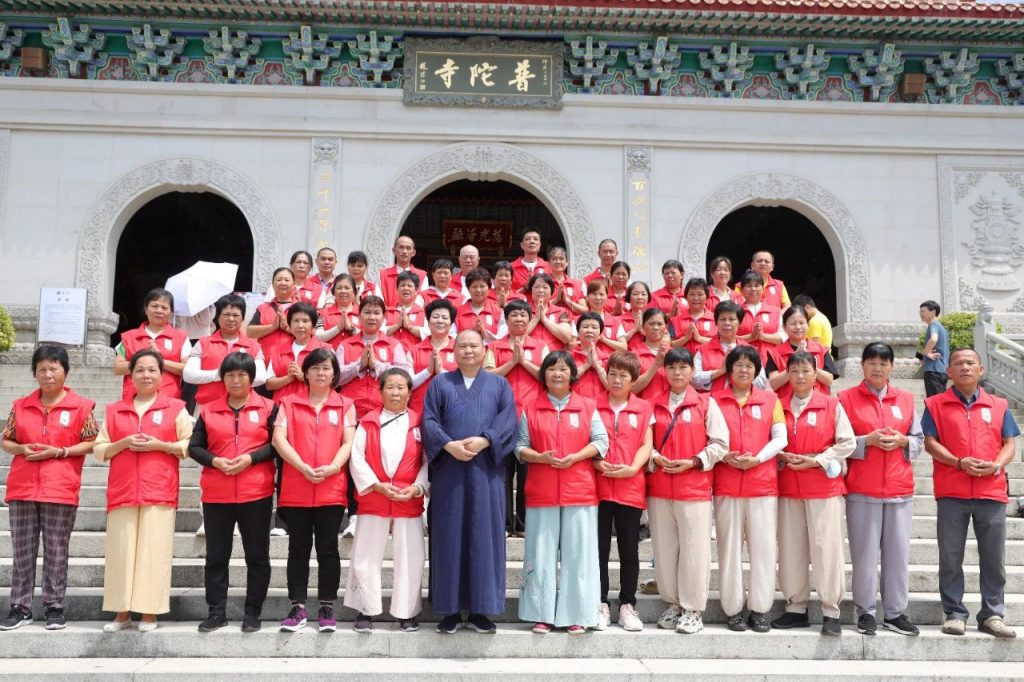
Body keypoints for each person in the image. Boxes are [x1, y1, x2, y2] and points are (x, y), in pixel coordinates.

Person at [422, 329, 519, 634]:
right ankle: (449, 610)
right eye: (461, 345)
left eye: (473, 345)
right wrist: (447, 445)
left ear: (484, 350)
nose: (467, 350)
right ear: (453, 350)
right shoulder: (440, 383)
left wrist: (485, 440)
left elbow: (508, 422)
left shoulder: (499, 384)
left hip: (485, 473)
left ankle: (481, 610)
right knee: (447, 536)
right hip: (449, 471)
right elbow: (428, 421)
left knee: (484, 538)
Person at [93, 350, 193, 633]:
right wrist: (123, 442)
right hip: (122, 489)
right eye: (139, 370)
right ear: (130, 375)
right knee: (120, 552)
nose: (146, 375)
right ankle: (121, 613)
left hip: (159, 489)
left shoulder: (175, 408)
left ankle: (149, 613)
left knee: (154, 552)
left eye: (152, 370)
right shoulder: (115, 410)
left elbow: (189, 445)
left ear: (162, 375)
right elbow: (99, 449)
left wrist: (160, 445)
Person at [0, 346, 97, 631]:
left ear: (65, 371)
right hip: (22, 487)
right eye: (41, 369)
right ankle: (20, 606)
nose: (47, 374)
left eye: (54, 368)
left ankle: (54, 606)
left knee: (56, 549)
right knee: (22, 550)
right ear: (34, 373)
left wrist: (60, 451)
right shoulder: (20, 405)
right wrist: (20, 447)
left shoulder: (81, 406)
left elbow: (92, 441)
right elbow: (6, 439)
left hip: (60, 487)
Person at [923, 347, 1018, 639]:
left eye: (970, 363)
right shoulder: (935, 404)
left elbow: (1010, 444)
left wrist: (995, 466)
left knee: (993, 557)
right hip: (952, 490)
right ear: (948, 371)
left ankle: (992, 614)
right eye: (958, 364)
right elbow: (929, 442)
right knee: (950, 556)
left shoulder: (999, 405)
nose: (964, 367)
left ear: (981, 370)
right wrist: (958, 462)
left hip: (991, 491)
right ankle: (954, 613)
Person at [515, 351, 609, 634]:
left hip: (579, 490)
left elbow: (601, 441)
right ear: (543, 374)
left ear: (572, 375)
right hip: (541, 491)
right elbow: (519, 447)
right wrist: (540, 457)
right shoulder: (530, 407)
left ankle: (577, 613)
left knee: (578, 555)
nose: (557, 373)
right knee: (540, 553)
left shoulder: (587, 406)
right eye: (552, 369)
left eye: (563, 369)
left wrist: (577, 456)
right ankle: (540, 613)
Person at [188, 352, 277, 633]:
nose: (236, 380)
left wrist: (251, 458)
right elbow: (195, 447)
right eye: (230, 375)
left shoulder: (269, 407)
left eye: (242, 375)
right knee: (216, 556)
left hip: (256, 492)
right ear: (222, 378)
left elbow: (278, 445)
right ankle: (217, 612)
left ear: (251, 378)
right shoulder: (209, 409)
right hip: (217, 493)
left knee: (257, 556)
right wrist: (215, 461)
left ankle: (253, 612)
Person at [839, 342, 923, 637]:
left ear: (891, 367)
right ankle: (865, 611)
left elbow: (919, 441)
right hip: (863, 488)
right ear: (862, 366)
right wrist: (866, 441)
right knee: (863, 554)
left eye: (883, 363)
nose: (877, 368)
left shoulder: (907, 399)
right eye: (872, 362)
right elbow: (840, 442)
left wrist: (903, 441)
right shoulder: (846, 399)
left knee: (897, 554)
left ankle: (896, 612)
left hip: (900, 487)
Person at [273, 348, 357, 633]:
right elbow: (278, 440)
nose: (321, 373)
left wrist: (333, 467)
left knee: (328, 549)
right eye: (316, 368)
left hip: (331, 488)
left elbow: (349, 442)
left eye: (327, 368)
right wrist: (302, 466)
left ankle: (326, 607)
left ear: (335, 373)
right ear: (305, 373)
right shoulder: (288, 402)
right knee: (298, 549)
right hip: (296, 486)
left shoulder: (345, 404)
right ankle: (297, 607)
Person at [772, 351, 855, 636]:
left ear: (816, 372)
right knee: (791, 549)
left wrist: (817, 459)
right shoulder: (778, 406)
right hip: (788, 488)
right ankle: (796, 608)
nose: (800, 376)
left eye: (806, 370)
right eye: (794, 371)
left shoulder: (831, 405)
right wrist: (781, 455)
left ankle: (831, 611)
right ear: (788, 374)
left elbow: (848, 443)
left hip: (823, 487)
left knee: (826, 549)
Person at [647, 348, 728, 634]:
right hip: (659, 488)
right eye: (672, 368)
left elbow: (720, 443)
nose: (678, 372)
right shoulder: (653, 404)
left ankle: (693, 609)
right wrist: (655, 456)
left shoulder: (706, 404)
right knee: (665, 549)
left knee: (694, 550)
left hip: (693, 487)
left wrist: (693, 462)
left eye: (683, 367)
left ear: (692, 372)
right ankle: (673, 603)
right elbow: (645, 444)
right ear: (664, 371)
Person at [345, 368, 428, 633]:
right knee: (366, 556)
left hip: (408, 499)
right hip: (375, 498)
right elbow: (356, 456)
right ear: (380, 391)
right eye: (389, 387)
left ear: (409, 391)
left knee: (410, 557)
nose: (395, 392)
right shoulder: (368, 421)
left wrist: (417, 487)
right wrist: (376, 485)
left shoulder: (419, 422)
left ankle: (407, 612)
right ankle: (365, 610)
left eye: (401, 387)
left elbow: (428, 461)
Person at [712, 346, 786, 633]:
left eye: (749, 365)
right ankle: (733, 609)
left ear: (757, 371)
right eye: (738, 365)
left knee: (763, 549)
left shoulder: (771, 400)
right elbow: (709, 438)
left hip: (762, 485)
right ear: (729, 370)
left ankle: (759, 609)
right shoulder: (714, 401)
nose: (744, 369)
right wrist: (724, 455)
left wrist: (758, 458)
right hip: (727, 485)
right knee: (729, 549)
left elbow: (780, 438)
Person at [593, 351, 652, 632]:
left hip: (630, 486)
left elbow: (646, 445)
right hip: (598, 487)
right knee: (599, 549)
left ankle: (628, 605)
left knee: (629, 549)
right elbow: (586, 439)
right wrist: (596, 461)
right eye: (612, 373)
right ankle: (600, 602)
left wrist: (632, 468)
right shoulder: (592, 405)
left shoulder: (643, 408)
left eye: (623, 375)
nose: (616, 380)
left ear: (633, 380)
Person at [485, 300, 546, 536]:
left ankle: (523, 524)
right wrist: (512, 362)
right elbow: (489, 375)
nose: (519, 319)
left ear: (530, 319)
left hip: (531, 418)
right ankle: (504, 524)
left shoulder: (541, 346)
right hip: (501, 417)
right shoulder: (495, 346)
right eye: (514, 316)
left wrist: (524, 362)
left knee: (527, 475)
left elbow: (546, 376)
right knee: (502, 474)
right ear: (506, 320)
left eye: (523, 315)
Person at [183, 294, 267, 408]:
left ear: (242, 318)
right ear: (217, 317)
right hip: (208, 407)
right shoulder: (203, 343)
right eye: (226, 314)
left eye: (236, 315)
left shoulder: (254, 346)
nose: (231, 319)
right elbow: (188, 374)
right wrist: (215, 375)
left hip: (243, 408)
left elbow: (261, 377)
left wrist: (231, 376)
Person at [113, 288, 189, 401]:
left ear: (171, 312)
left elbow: (187, 370)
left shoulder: (181, 338)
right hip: (134, 399)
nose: (159, 310)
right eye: (154, 306)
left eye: (164, 307)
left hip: (168, 400)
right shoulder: (129, 337)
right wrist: (145, 360)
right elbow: (117, 368)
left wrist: (160, 361)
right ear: (146, 309)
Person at [766, 305, 839, 400]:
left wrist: (810, 366)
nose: (798, 327)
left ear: (808, 325)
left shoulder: (821, 350)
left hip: (818, 406)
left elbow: (829, 380)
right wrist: (793, 361)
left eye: (802, 323)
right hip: (787, 408)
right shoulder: (775, 353)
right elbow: (774, 384)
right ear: (784, 327)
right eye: (793, 323)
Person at [693, 301, 762, 393]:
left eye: (732, 319)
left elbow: (761, 383)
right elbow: (693, 380)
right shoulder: (702, 350)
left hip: (742, 402)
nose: (727, 323)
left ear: (739, 323)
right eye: (722, 319)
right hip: (711, 402)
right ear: (716, 323)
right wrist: (720, 371)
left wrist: (740, 375)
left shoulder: (750, 350)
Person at [265, 302, 327, 402]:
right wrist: (289, 378)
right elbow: (269, 384)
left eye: (305, 321)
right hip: (282, 408)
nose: (300, 325)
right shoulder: (278, 350)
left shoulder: (325, 350)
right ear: (289, 324)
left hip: (313, 407)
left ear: (313, 325)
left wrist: (303, 377)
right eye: (296, 321)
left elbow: (332, 381)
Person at [409, 299, 459, 414]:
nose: (440, 321)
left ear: (451, 323)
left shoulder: (460, 349)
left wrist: (441, 371)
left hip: (451, 413)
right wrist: (427, 372)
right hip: (419, 412)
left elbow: (464, 385)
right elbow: (407, 384)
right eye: (436, 317)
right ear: (428, 320)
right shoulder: (414, 350)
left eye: (445, 318)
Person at [248, 267, 297, 360]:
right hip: (266, 358)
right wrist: (272, 327)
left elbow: (310, 334)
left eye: (287, 280)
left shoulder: (301, 308)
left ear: (294, 285)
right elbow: (250, 332)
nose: (283, 282)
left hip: (293, 360)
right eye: (279, 279)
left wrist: (287, 328)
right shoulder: (263, 308)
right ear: (273, 285)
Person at [736, 270, 783, 364]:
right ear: (741, 290)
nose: (753, 289)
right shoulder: (735, 312)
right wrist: (750, 337)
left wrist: (763, 337)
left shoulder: (775, 311)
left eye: (757, 285)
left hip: (771, 362)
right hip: (742, 362)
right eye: (749, 286)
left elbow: (783, 338)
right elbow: (728, 339)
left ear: (763, 289)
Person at [630, 308, 671, 402]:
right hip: (644, 408)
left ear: (666, 327)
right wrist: (656, 365)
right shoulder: (634, 355)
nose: (656, 327)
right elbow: (631, 389)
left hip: (669, 409)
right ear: (643, 326)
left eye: (660, 324)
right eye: (651, 323)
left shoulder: (673, 354)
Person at [525, 273, 574, 351]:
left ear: (551, 291)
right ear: (531, 290)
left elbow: (566, 338)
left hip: (554, 357)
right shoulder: (523, 310)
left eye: (545, 287)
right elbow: (517, 335)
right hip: (529, 355)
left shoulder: (560, 311)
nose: (541, 290)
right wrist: (536, 318)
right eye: (536, 287)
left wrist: (544, 319)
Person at [455, 268, 505, 342]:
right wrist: (473, 334)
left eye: (482, 286)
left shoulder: (498, 312)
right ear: (468, 289)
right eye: (474, 287)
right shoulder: (457, 312)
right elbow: (453, 338)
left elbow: (503, 339)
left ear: (489, 289)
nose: (478, 290)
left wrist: (485, 334)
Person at [571, 313, 612, 400]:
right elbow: (565, 382)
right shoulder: (568, 357)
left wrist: (597, 367)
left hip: (602, 406)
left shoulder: (609, 359)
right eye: (585, 327)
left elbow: (612, 388)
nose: (589, 330)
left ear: (600, 335)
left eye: (594, 327)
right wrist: (586, 365)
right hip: (576, 406)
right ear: (578, 333)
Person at [378, 235, 428, 308]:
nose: (404, 251)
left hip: (413, 317)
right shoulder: (382, 274)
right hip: (388, 316)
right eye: (401, 247)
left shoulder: (422, 276)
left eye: (408, 248)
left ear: (413, 252)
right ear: (394, 250)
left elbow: (421, 301)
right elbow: (379, 301)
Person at [669, 278, 716, 355]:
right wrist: (685, 338)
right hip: (682, 363)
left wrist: (699, 338)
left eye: (700, 294)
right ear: (686, 297)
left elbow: (721, 342)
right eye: (692, 294)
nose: (696, 298)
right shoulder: (675, 321)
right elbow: (670, 344)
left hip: (707, 363)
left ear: (707, 297)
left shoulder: (716, 319)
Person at [384, 271, 428, 351]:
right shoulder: (386, 311)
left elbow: (428, 334)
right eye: (402, 285)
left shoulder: (423, 313)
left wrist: (410, 327)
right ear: (397, 290)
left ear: (416, 291)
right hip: (389, 355)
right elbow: (378, 332)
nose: (406, 288)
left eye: (409, 286)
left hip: (413, 357)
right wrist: (397, 326)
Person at [317, 274, 361, 349]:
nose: (343, 291)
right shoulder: (323, 313)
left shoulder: (363, 312)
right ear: (333, 292)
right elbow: (317, 338)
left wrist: (351, 329)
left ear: (354, 291)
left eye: (347, 288)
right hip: (330, 358)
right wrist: (338, 328)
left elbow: (369, 337)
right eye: (339, 288)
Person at [920, 300, 949, 398]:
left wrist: (925, 352)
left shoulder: (933, 325)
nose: (921, 314)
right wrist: (923, 355)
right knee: (939, 400)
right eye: (920, 312)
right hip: (941, 370)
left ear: (933, 312)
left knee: (934, 402)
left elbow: (933, 338)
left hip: (933, 370)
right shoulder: (941, 328)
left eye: (923, 311)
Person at [546, 246, 585, 314]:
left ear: (567, 263)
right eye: (554, 259)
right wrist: (556, 300)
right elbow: (539, 308)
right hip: (550, 320)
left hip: (572, 322)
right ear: (549, 263)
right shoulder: (543, 282)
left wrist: (567, 301)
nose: (558, 261)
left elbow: (584, 310)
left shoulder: (577, 284)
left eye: (561, 259)